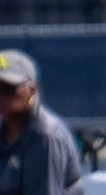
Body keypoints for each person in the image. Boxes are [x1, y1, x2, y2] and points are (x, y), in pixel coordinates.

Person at [0, 49, 83, 195]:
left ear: (32, 90)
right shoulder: (4, 131)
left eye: (7, 88)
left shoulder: (44, 135)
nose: (1, 96)